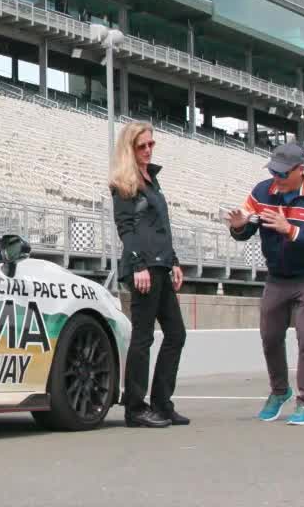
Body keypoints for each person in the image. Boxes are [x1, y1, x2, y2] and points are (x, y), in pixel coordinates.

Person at [226, 142, 304, 426]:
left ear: (301, 170)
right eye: (273, 172)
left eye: (283, 174)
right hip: (277, 276)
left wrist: (290, 230)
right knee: (270, 336)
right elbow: (245, 231)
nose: (276, 179)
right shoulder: (261, 192)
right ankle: (279, 391)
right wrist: (239, 225)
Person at [109, 121, 188, 428]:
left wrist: (175, 262)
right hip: (142, 267)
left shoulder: (152, 180)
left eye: (151, 144)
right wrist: (139, 264)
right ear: (129, 148)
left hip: (161, 265)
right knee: (143, 337)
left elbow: (160, 228)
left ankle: (161, 402)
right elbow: (126, 229)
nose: (147, 150)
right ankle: (136, 408)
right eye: (141, 146)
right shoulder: (123, 182)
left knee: (176, 334)